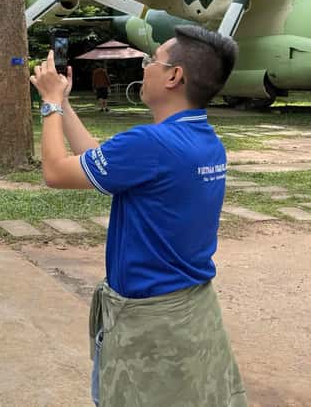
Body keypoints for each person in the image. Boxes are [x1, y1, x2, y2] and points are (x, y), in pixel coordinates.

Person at [30, 25, 247, 407]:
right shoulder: (204, 140)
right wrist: (64, 103)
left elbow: (56, 172)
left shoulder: (151, 144)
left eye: (151, 60)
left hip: (152, 323)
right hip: (190, 313)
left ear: (174, 76)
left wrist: (48, 103)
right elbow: (98, 160)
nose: (144, 67)